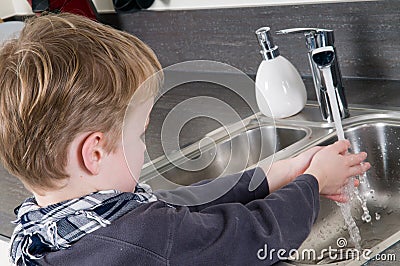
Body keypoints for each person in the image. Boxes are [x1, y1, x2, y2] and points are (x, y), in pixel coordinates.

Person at [0, 13, 370, 266]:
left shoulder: (43, 229)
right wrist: (313, 183)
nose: (145, 145)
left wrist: (278, 174)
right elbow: (254, 236)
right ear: (95, 152)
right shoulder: (145, 238)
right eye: (140, 132)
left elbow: (174, 205)